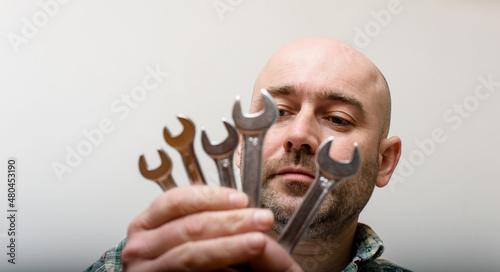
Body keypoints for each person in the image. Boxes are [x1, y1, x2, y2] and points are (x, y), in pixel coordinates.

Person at [85, 37, 410, 272]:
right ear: (242, 144)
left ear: (385, 161)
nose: (299, 135)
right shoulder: (135, 265)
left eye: (337, 119)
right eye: (279, 112)